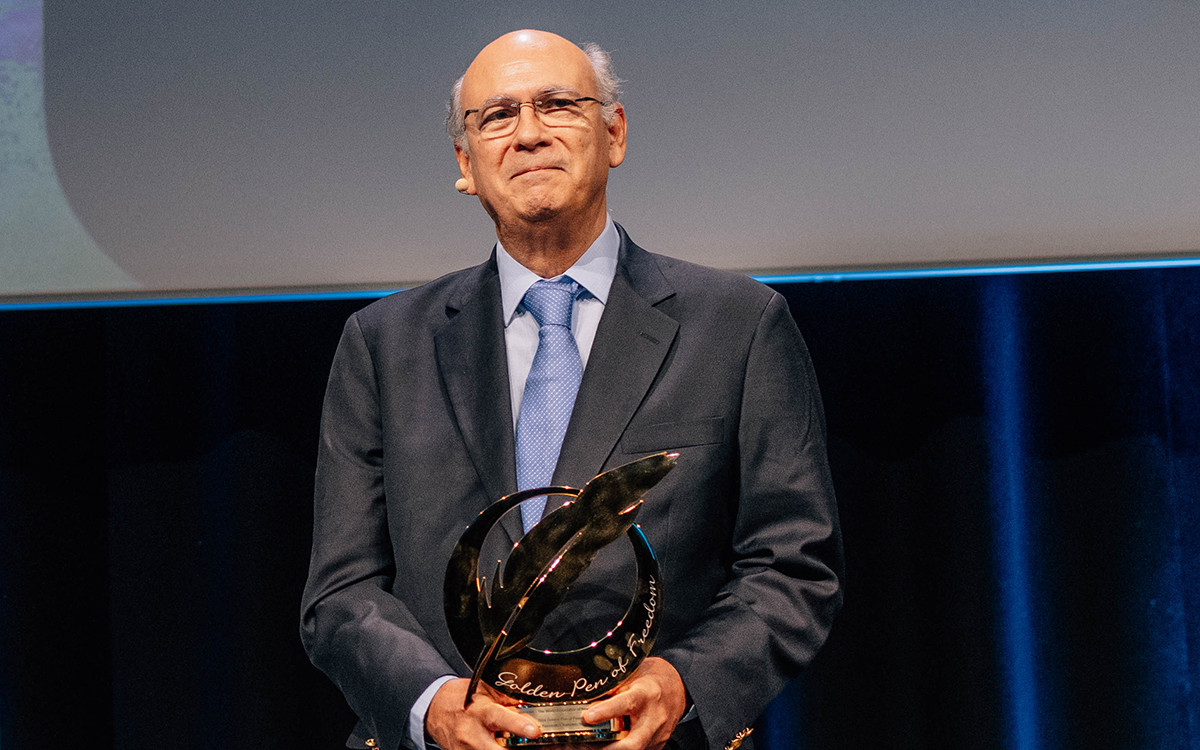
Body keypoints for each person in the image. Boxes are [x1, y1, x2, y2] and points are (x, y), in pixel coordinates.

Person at [301, 29, 842, 750]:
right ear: (466, 163)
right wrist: (431, 704)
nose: (527, 134)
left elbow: (792, 565)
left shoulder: (739, 327)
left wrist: (686, 680)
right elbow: (341, 592)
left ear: (613, 134)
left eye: (557, 105)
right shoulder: (382, 344)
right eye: (496, 116)